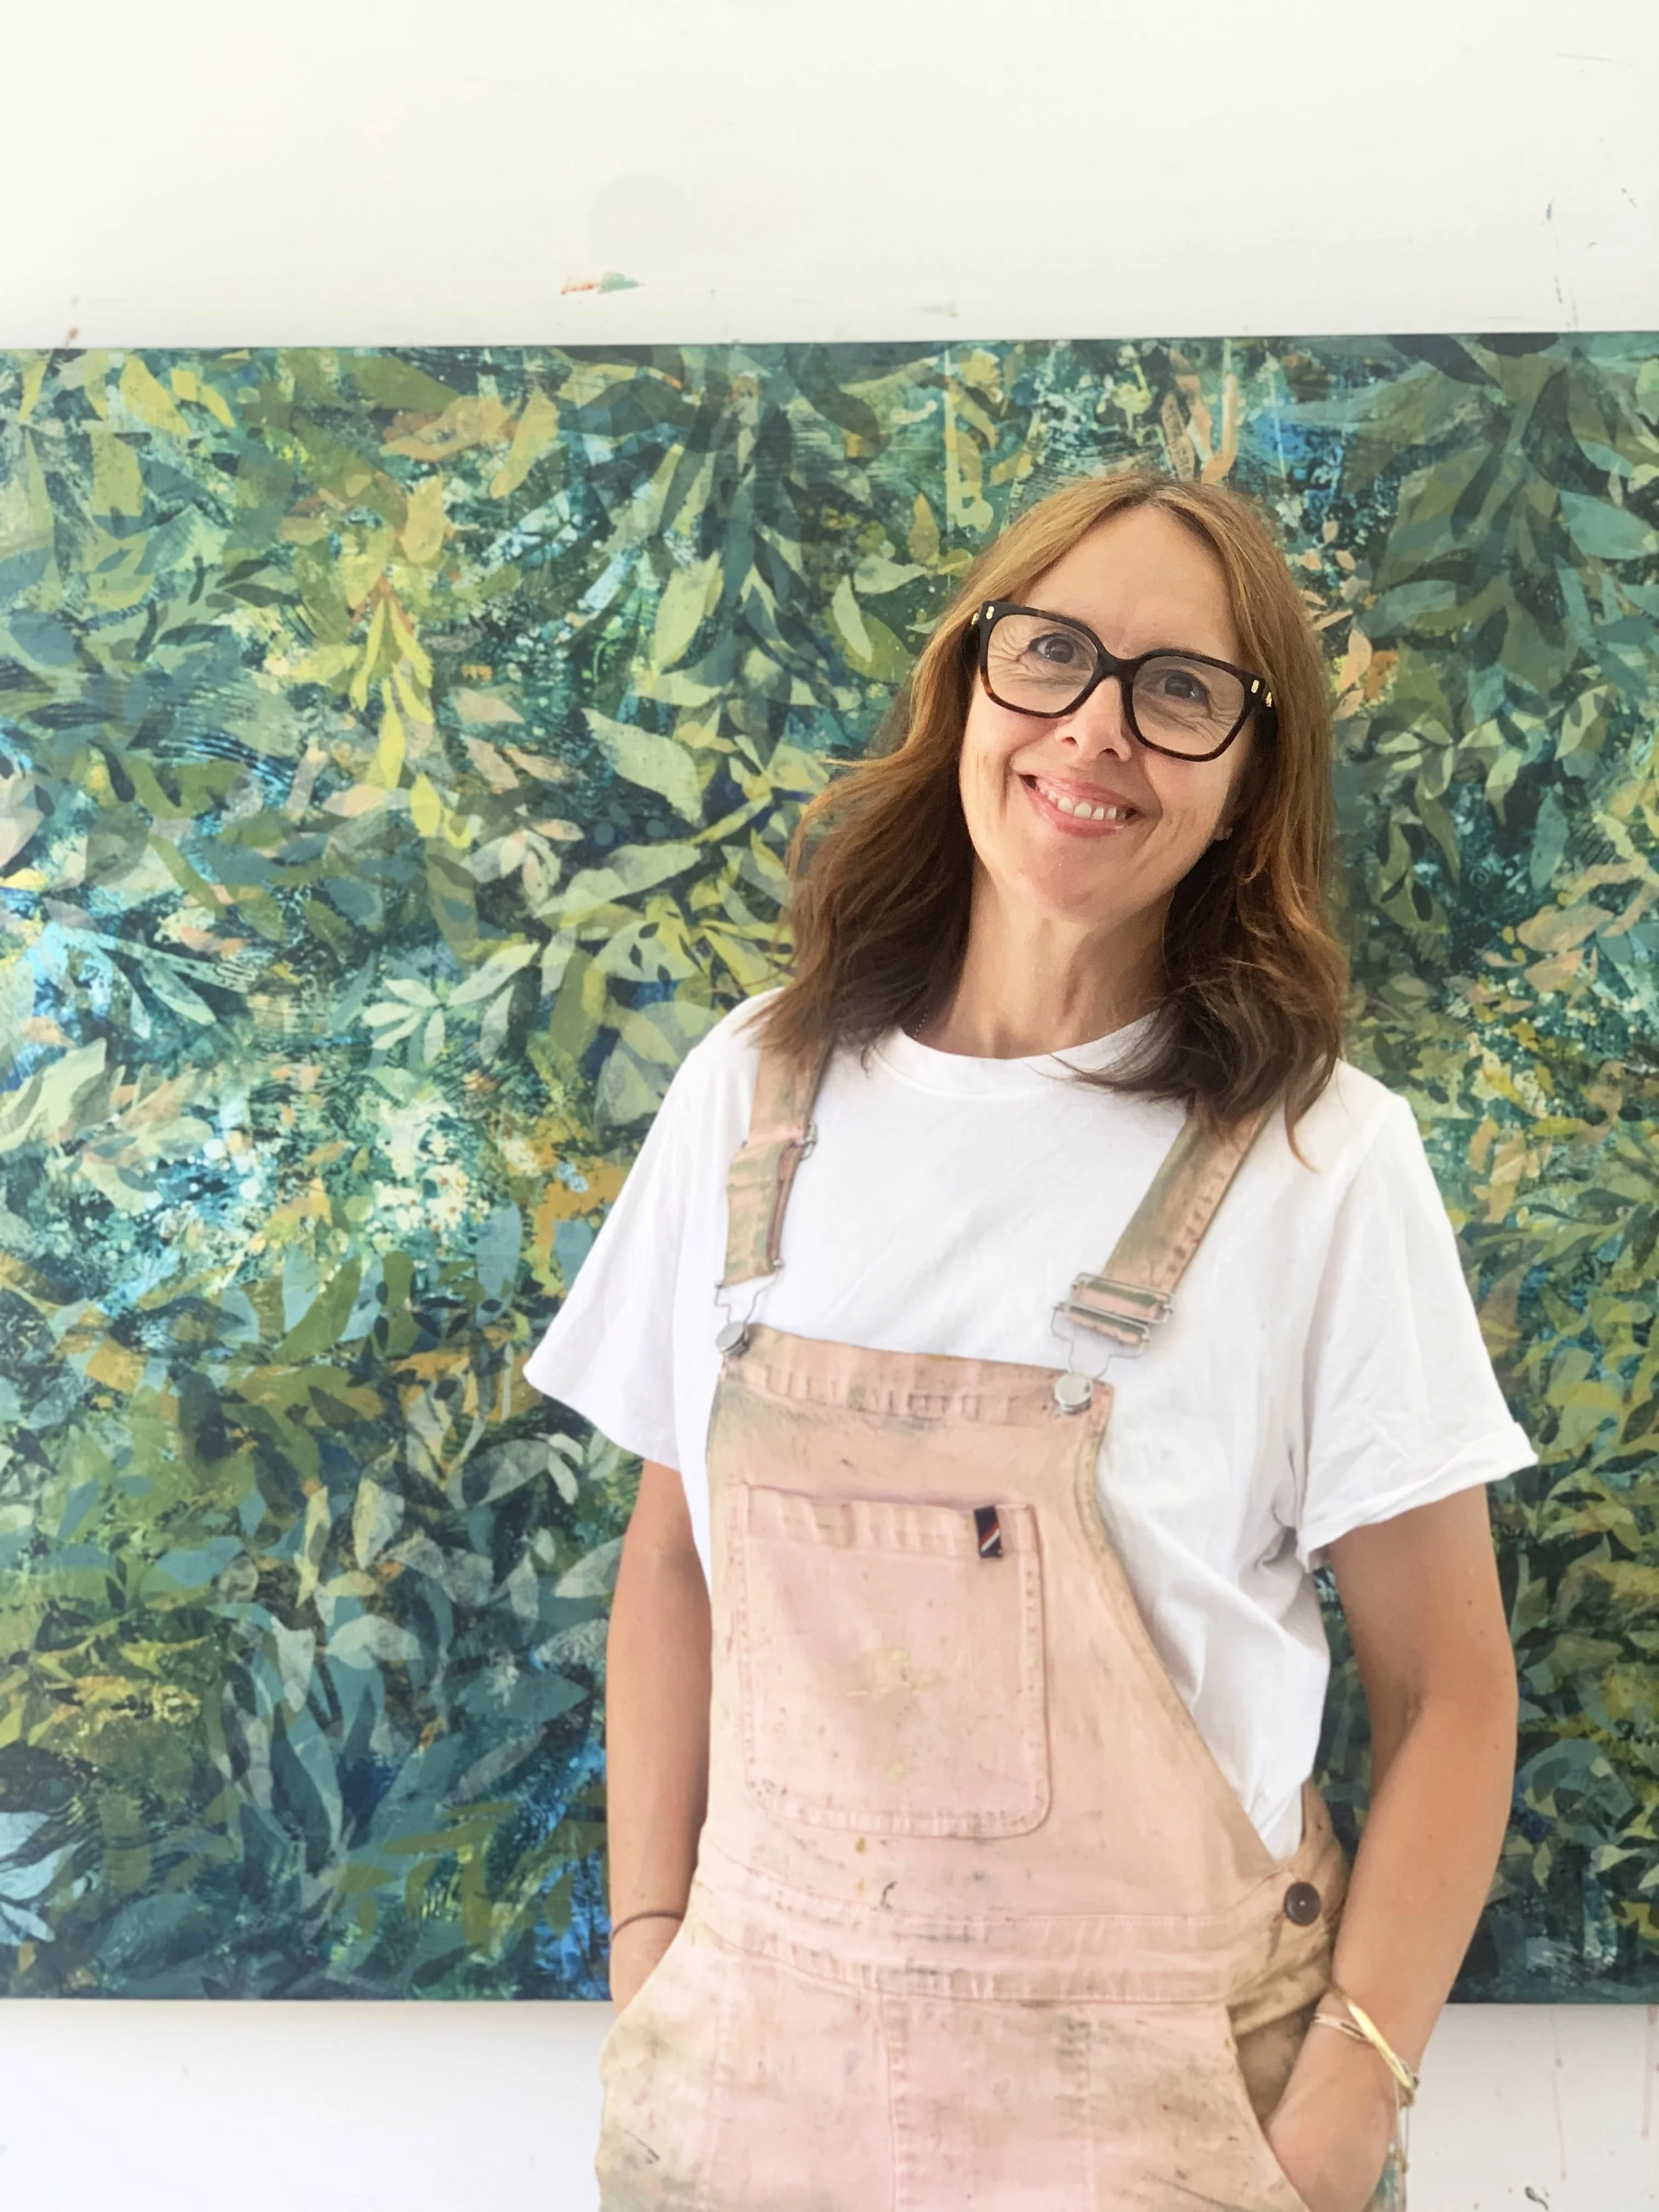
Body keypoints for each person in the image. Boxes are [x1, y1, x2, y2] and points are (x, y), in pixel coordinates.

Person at [524, 467, 1532, 2212]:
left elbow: (1448, 1690)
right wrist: (653, 1962)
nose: (1098, 728)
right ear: (968, 679)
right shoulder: (750, 1092)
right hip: (753, 2101)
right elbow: (671, 1564)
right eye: (1052, 652)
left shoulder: (1323, 1159)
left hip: (1176, 2119)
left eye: (1180, 689)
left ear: (1246, 778)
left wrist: (1332, 2125)